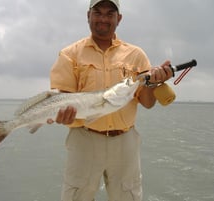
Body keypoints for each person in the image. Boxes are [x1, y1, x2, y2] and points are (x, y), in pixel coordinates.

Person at [48, 0, 173, 200]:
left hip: (125, 141)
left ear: (119, 18)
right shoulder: (69, 54)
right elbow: (61, 97)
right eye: (98, 13)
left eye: (110, 14)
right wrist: (63, 116)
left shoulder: (136, 55)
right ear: (88, 15)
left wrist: (153, 83)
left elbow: (148, 103)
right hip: (84, 138)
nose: (103, 19)